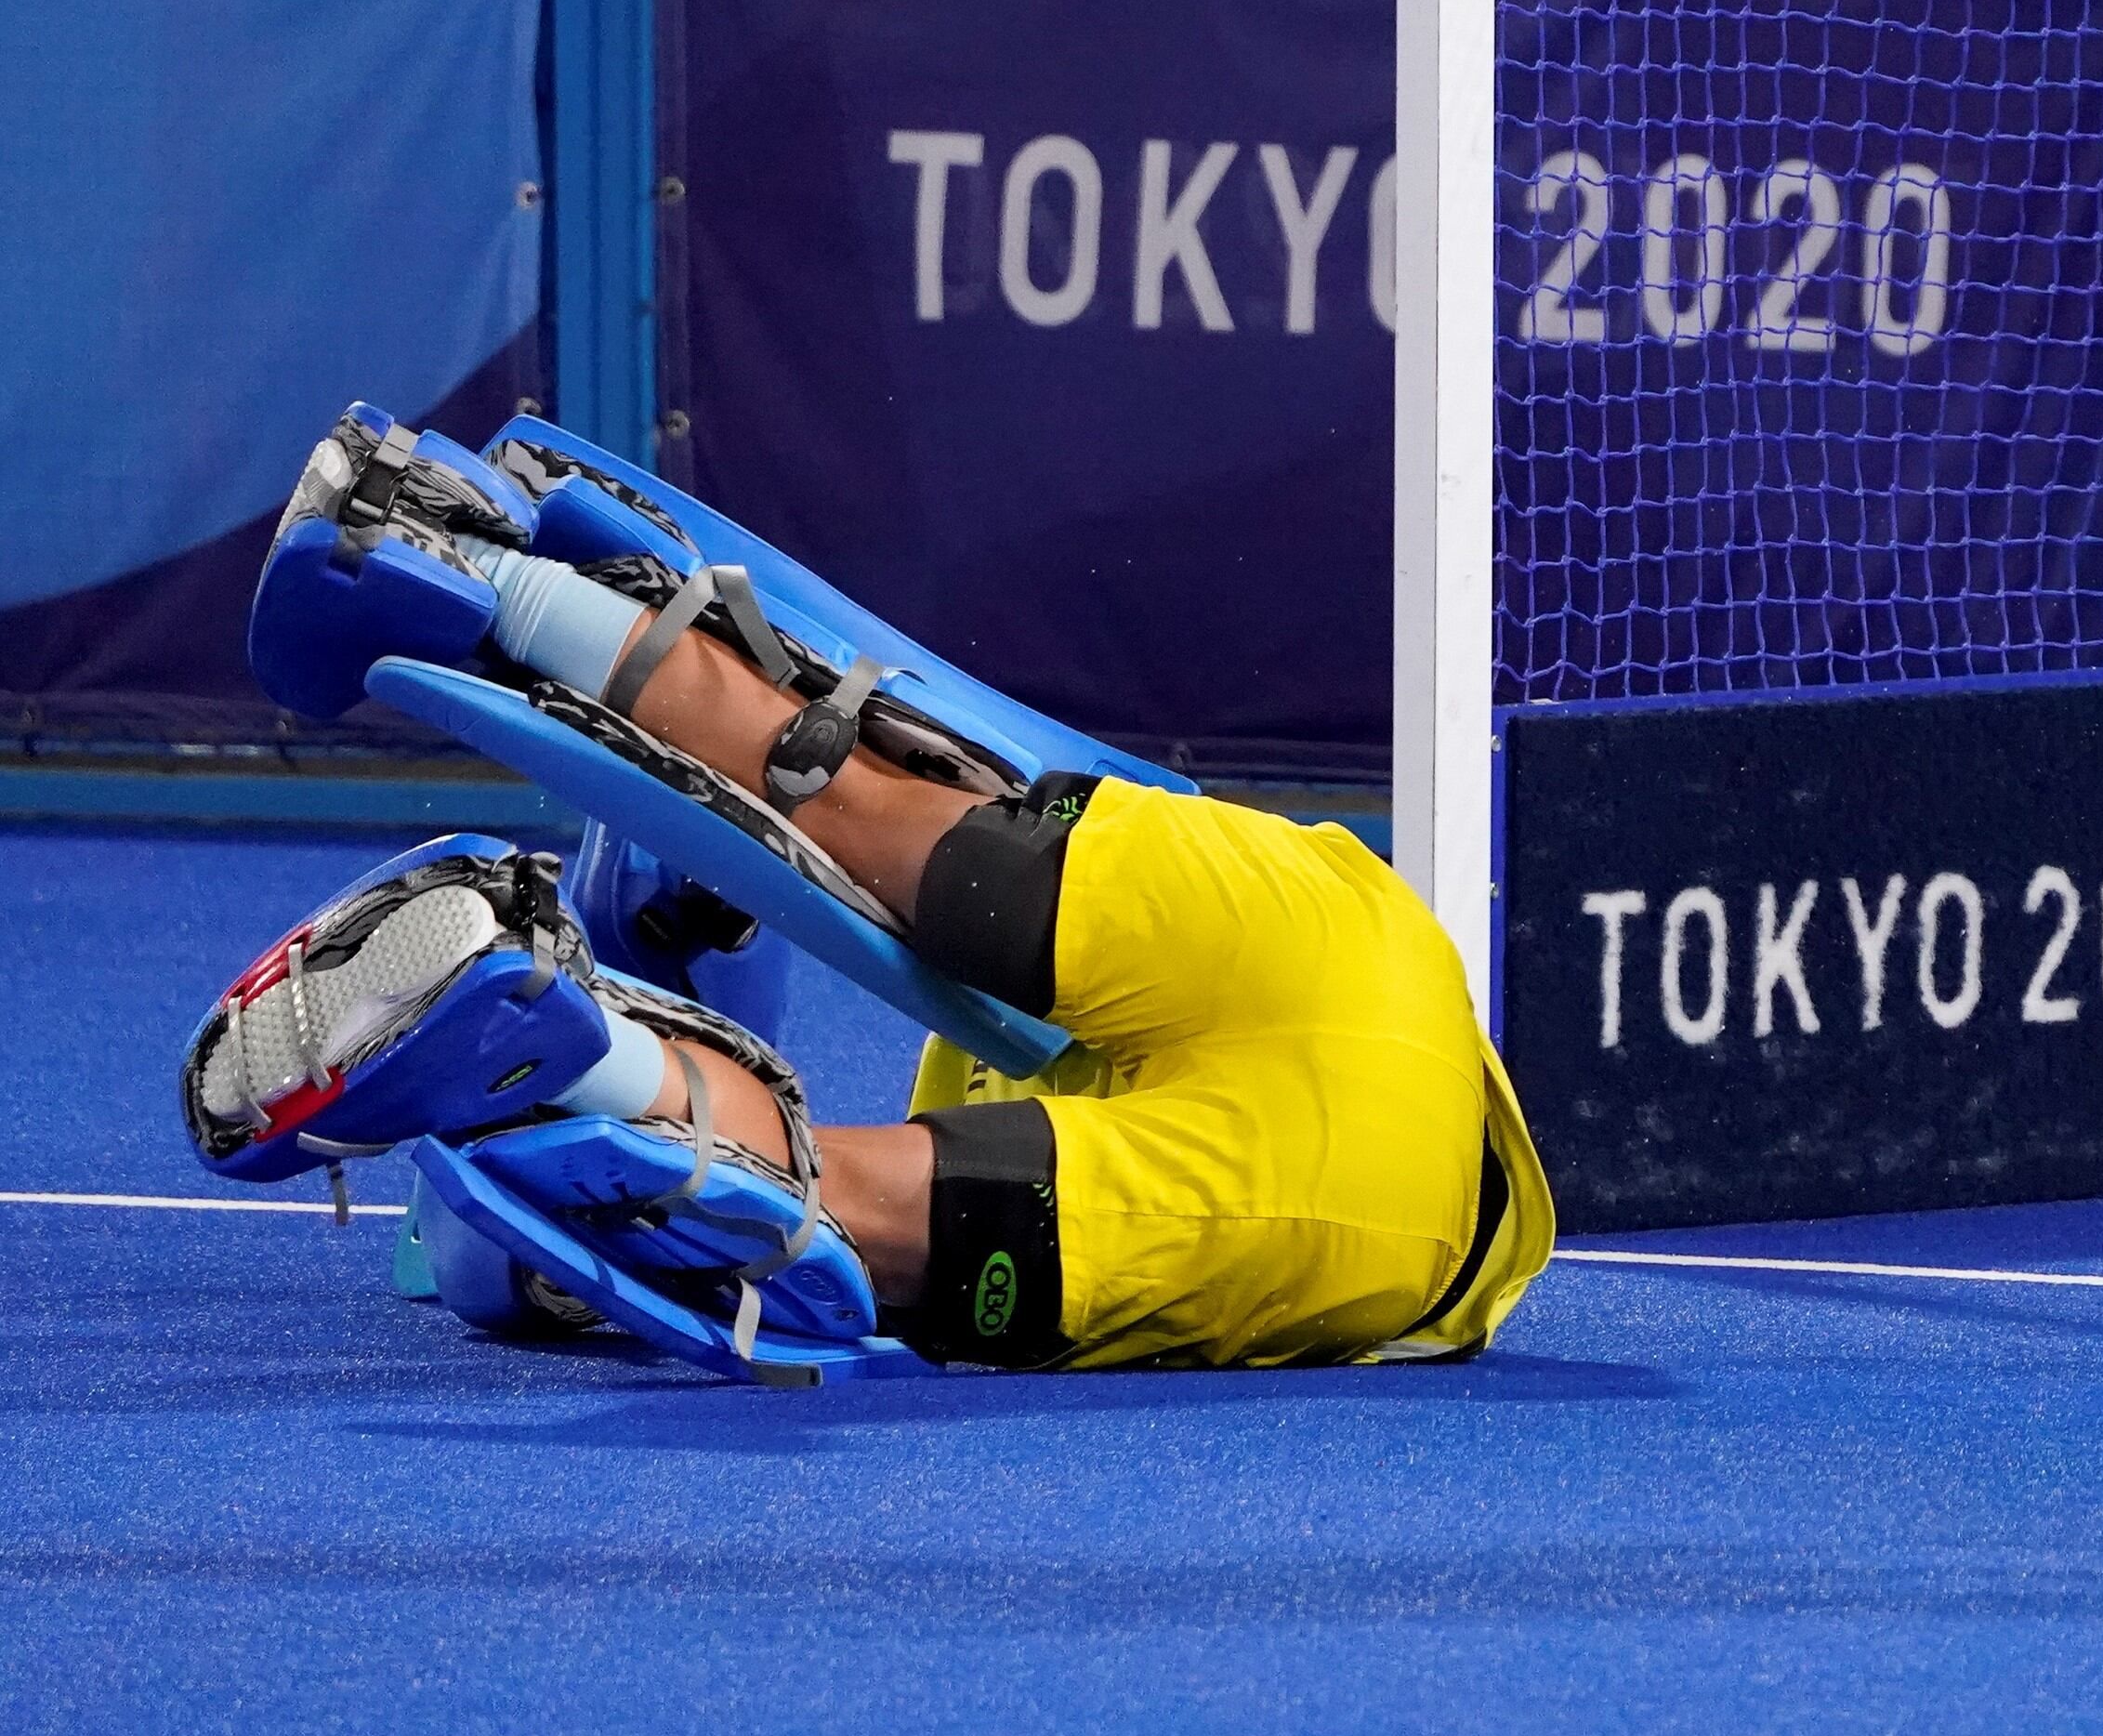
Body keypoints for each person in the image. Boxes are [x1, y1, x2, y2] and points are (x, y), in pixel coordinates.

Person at [187, 403, 1553, 1379]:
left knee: (857, 808)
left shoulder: (972, 1050)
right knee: (845, 1183)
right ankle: (580, 1045)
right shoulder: (987, 1070)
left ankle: (451, 551)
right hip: (1371, 1195)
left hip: (1363, 946)